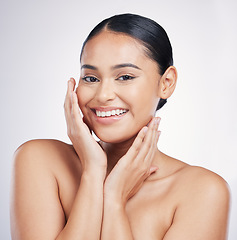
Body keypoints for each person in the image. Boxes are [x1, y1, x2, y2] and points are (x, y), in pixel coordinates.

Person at [10, 13, 230, 240]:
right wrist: (93, 172)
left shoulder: (202, 192)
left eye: (125, 77)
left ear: (166, 83)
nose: (103, 95)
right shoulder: (40, 160)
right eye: (91, 78)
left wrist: (114, 199)